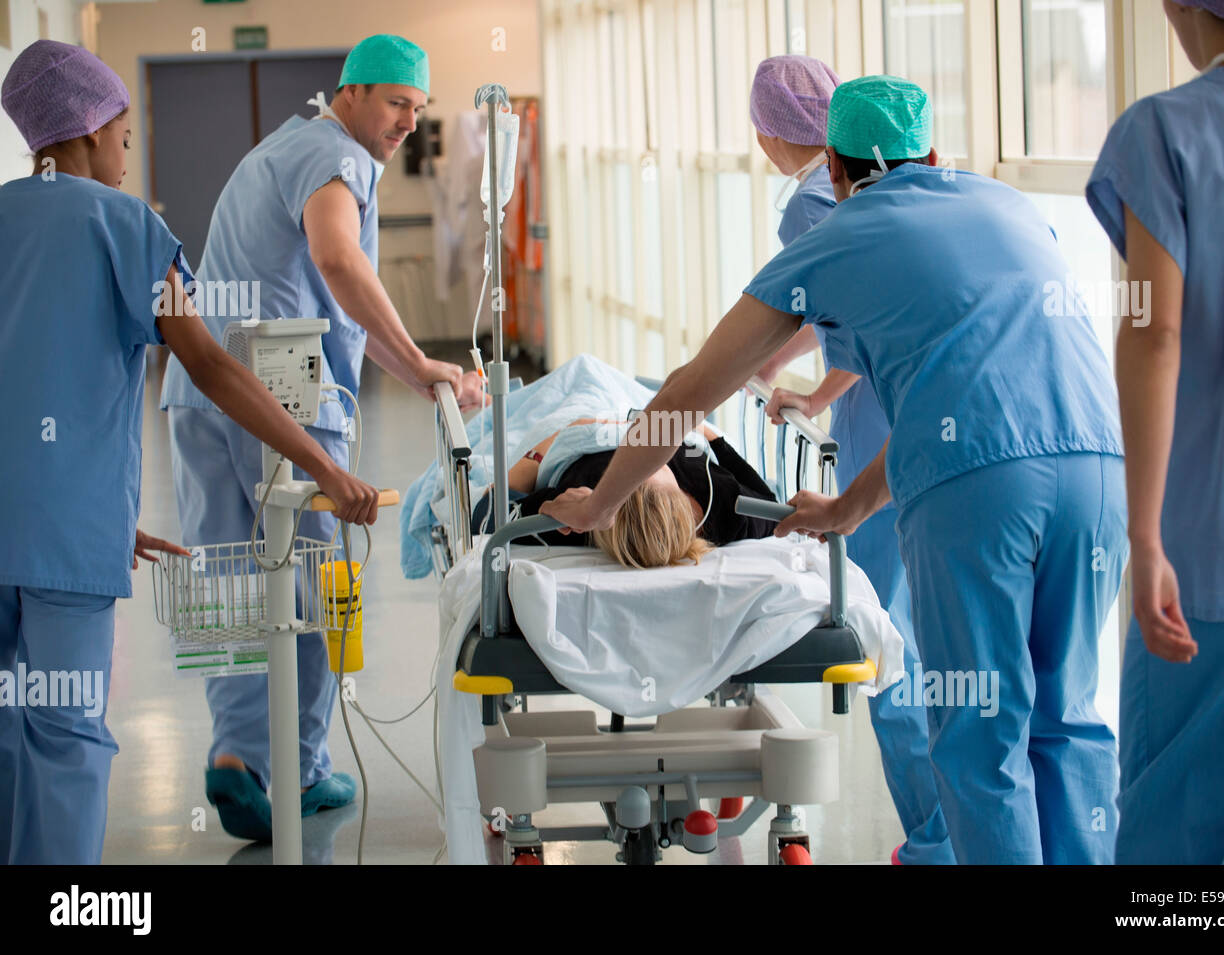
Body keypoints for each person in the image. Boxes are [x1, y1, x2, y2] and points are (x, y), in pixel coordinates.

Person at [542, 75, 1129, 865]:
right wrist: (852, 506)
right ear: (931, 150)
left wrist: (604, 503)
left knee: (982, 732)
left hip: (980, 493)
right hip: (1100, 467)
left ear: (836, 169)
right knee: (1068, 718)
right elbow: (972, 390)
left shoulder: (842, 233)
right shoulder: (1007, 205)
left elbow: (687, 393)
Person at [0, 40, 379, 864]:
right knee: (64, 737)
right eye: (126, 136)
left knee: (5, 734)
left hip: (27, 526)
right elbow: (209, 365)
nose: (127, 155)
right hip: (69, 545)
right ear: (93, 128)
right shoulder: (128, 227)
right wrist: (323, 465)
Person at [158, 34, 482, 842]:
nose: (409, 122)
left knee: (230, 579)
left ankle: (235, 755)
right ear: (352, 92)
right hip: (284, 399)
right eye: (397, 102)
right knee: (306, 587)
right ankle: (300, 766)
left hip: (200, 391)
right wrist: (420, 362)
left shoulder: (282, 148)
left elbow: (335, 295)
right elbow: (337, 262)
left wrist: (419, 372)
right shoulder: (337, 157)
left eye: (418, 107)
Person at [1086, 0, 1224, 864]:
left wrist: (1146, 537)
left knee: (1171, 863)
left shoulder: (1164, 130)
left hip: (1213, 558)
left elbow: (1155, 330)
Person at [750, 55, 953, 865]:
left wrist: (808, 388)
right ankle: (963, 831)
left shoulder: (812, 203)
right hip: (947, 429)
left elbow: (853, 326)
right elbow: (840, 312)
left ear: (773, 132)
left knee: (883, 636)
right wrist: (795, 373)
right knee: (942, 643)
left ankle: (938, 837)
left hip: (884, 432)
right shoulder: (943, 198)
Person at [471, 417, 778, 567]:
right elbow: (771, 506)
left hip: (576, 431)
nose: (642, 454)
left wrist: (538, 453)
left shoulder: (574, 519)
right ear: (684, 501)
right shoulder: (723, 506)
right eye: (656, 462)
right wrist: (712, 437)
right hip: (673, 427)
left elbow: (486, 517)